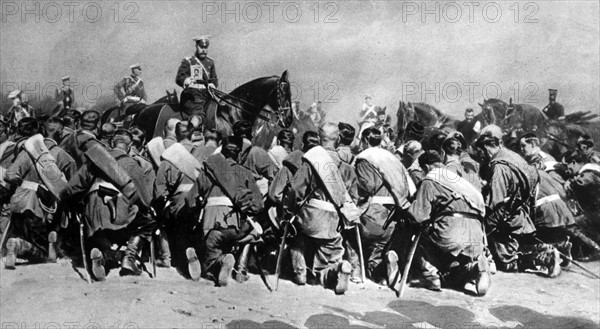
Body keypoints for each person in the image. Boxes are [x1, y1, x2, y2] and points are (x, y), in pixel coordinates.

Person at [60, 133, 156, 280]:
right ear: (129, 148)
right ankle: (129, 258)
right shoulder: (132, 164)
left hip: (93, 214)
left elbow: (73, 188)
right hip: (120, 212)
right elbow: (146, 199)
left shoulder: (94, 161)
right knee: (148, 222)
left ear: (111, 145)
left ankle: (103, 257)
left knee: (96, 229)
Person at [474, 130, 562, 277]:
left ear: (486, 148)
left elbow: (495, 200)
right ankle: (554, 248)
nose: (480, 156)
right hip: (521, 213)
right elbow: (533, 175)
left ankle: (546, 258)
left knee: (506, 262)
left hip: (506, 218)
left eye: (481, 152)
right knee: (521, 244)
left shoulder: (498, 166)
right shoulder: (513, 156)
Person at [287, 122, 357, 294]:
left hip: (308, 219)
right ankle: (333, 271)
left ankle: (300, 272)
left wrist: (289, 211)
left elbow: (296, 190)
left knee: (295, 235)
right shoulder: (348, 168)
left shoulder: (311, 162)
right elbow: (353, 199)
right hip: (332, 223)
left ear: (318, 138)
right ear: (339, 139)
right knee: (327, 257)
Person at [407, 150, 490, 295]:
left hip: (452, 230)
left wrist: (408, 208)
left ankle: (431, 275)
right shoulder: (458, 180)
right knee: (453, 276)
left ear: (426, 167)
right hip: (476, 234)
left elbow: (419, 216)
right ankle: (475, 269)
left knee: (418, 235)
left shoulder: (430, 179)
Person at [187, 136, 264, 286]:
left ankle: (219, 262)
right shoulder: (245, 173)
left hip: (210, 226)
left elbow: (190, 200)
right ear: (240, 154)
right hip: (235, 227)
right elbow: (258, 206)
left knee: (207, 263)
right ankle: (235, 265)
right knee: (253, 232)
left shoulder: (208, 172)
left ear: (221, 151)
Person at [354, 127, 414, 286]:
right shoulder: (393, 159)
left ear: (366, 141)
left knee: (350, 235)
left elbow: (366, 187)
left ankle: (355, 271)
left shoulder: (365, 158)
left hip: (373, 215)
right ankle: (385, 269)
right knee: (378, 249)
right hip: (393, 217)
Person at [2, 118, 63, 269]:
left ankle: (16, 245)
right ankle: (18, 245)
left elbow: (10, 175)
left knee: (27, 235)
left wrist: (23, 183)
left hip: (18, 202)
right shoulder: (51, 153)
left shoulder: (21, 151)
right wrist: (34, 186)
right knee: (42, 253)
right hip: (36, 206)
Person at [153, 121, 199, 273]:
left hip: (177, 202)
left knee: (161, 220)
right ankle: (194, 252)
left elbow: (160, 190)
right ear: (193, 134)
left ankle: (166, 258)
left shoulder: (170, 156)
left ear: (176, 134)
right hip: (199, 202)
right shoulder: (202, 153)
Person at [176, 35, 218, 122]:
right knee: (198, 116)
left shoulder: (210, 62)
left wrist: (213, 84)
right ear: (196, 46)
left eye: (206, 47)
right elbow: (179, 77)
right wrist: (185, 80)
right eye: (201, 47)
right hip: (192, 97)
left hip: (207, 95)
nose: (203, 50)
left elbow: (214, 79)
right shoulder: (189, 61)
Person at [233, 120, 279, 196]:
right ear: (251, 134)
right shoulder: (257, 151)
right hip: (252, 198)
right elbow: (275, 175)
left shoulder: (227, 150)